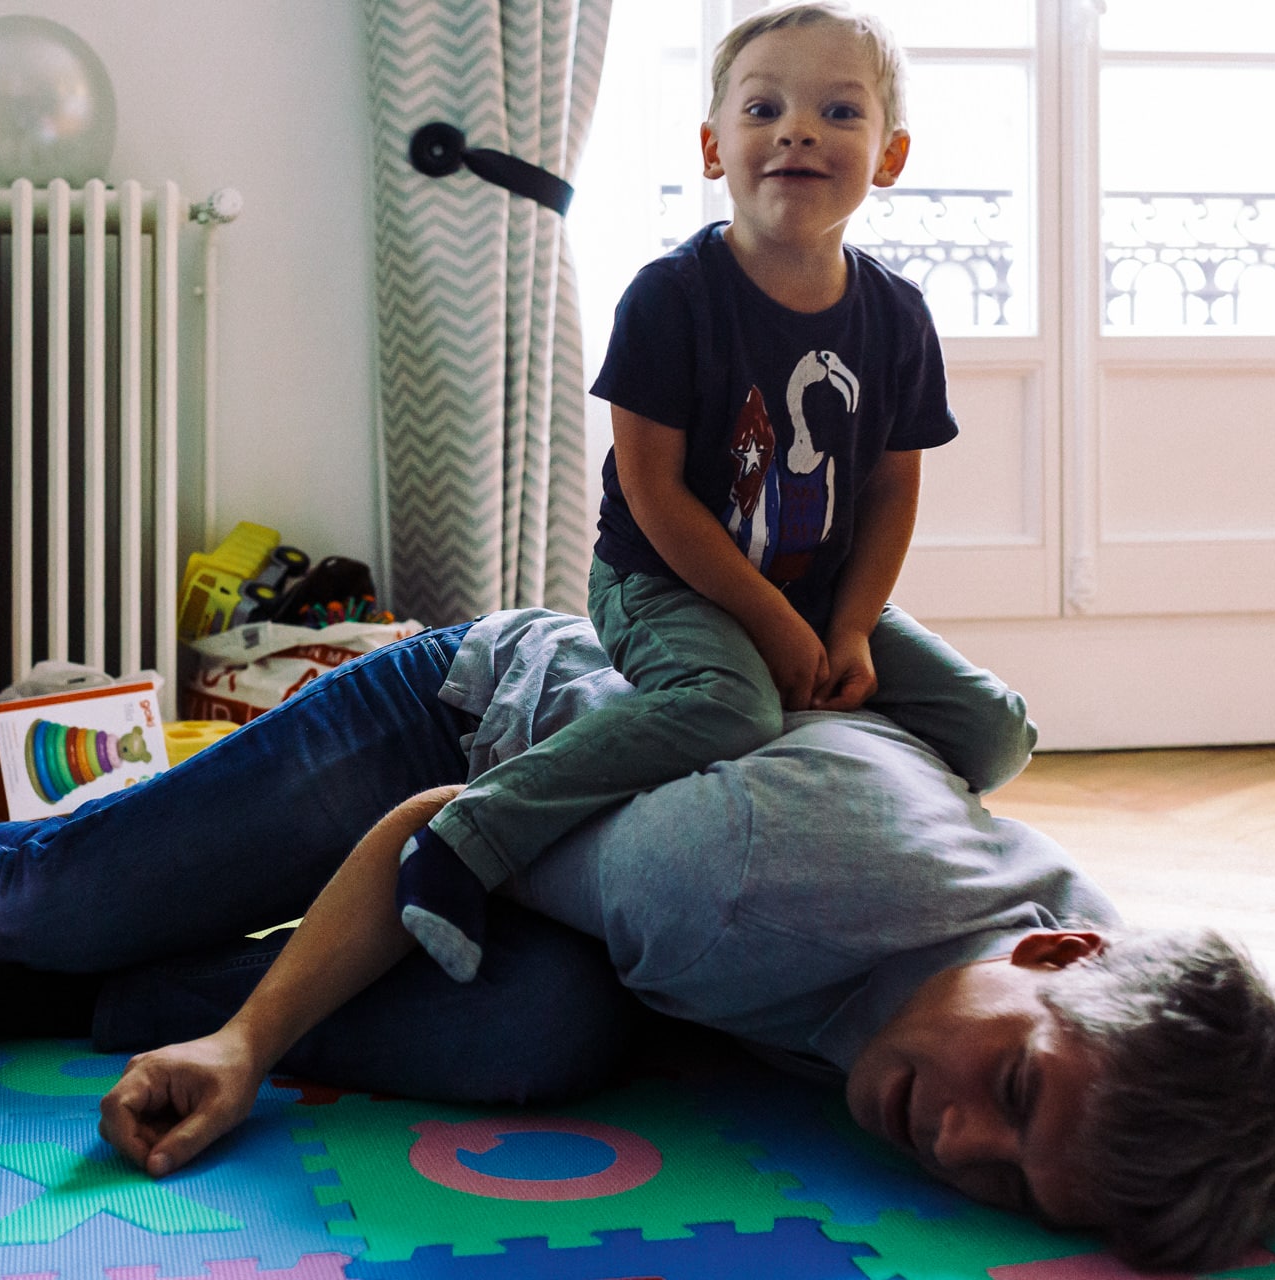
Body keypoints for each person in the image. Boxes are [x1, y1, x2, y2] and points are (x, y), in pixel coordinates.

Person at [0, 611, 1275, 1273]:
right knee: (46, 909)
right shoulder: (735, 886)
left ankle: (78, 1001)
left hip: (633, 892)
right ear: (1049, 959)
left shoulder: (1099, 1018)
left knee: (537, 1031)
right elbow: (442, 826)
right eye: (1014, 1095)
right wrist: (245, 1047)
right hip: (471, 725)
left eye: (1018, 1188)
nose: (960, 1149)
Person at [396, 3, 985, 984]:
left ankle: (857, 816)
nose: (798, 128)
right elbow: (654, 492)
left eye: (840, 111)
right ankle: (469, 834)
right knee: (729, 706)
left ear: (890, 155)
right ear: (715, 148)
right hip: (663, 580)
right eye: (765, 108)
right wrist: (776, 627)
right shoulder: (671, 296)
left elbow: (890, 486)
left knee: (992, 725)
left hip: (812, 582)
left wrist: (844, 629)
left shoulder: (897, 314)